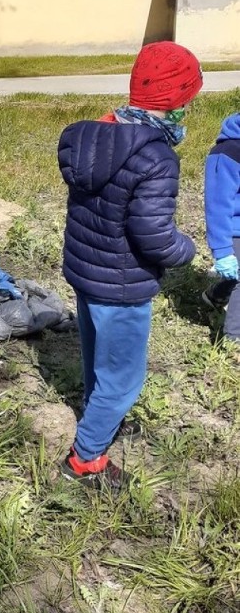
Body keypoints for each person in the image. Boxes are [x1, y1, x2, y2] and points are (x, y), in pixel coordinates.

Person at [57, 41, 202, 492]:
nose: (188, 109)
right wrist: (186, 250)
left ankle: (95, 419)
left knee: (96, 358)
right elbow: (153, 234)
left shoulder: (95, 134)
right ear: (176, 102)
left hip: (86, 271)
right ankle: (85, 461)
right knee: (123, 380)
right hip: (122, 284)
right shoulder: (156, 156)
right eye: (188, 100)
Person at [203, 112, 240, 335]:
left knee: (236, 275)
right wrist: (222, 250)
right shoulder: (227, 153)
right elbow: (217, 205)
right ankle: (235, 339)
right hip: (235, 228)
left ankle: (216, 294)